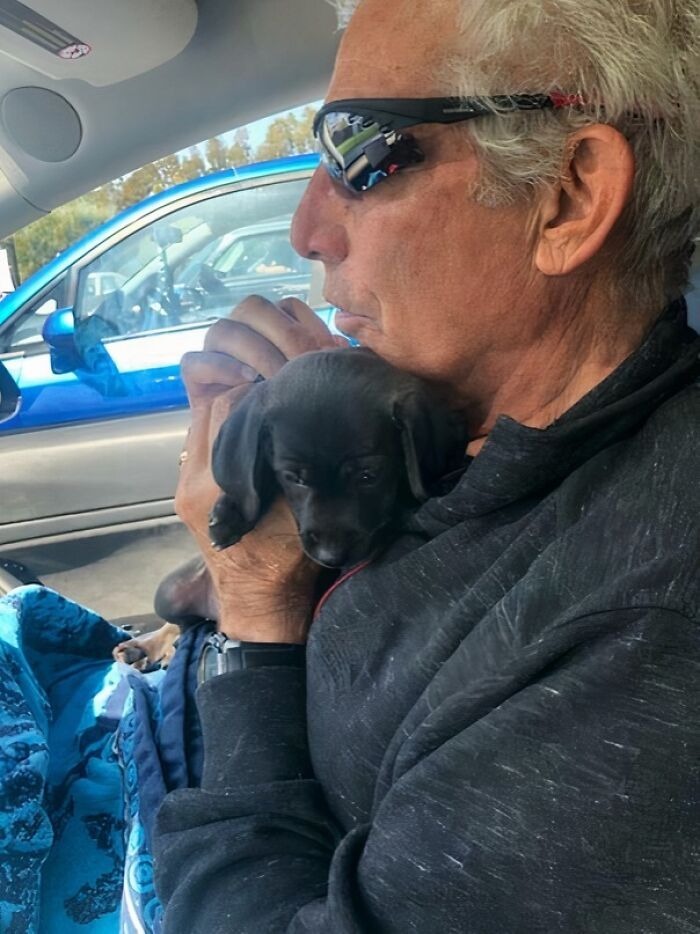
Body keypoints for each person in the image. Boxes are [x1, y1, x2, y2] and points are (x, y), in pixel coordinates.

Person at [151, 0, 700, 930]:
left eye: (359, 151)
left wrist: (253, 604)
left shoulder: (646, 638)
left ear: (568, 196)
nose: (304, 229)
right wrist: (309, 442)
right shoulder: (468, 427)